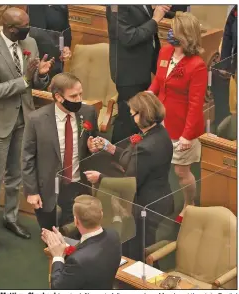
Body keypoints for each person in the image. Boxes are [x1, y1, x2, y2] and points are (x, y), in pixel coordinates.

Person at [0, 7, 53, 255]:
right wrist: (25, 80)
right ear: (11, 29)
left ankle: (10, 218)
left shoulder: (29, 41)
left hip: (24, 117)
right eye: (24, 26)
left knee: (16, 175)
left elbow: (36, 84)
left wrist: (41, 75)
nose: (28, 30)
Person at [84, 91, 174, 261]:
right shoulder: (159, 132)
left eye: (133, 114)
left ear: (143, 114)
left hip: (146, 205)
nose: (132, 118)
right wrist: (110, 148)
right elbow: (135, 161)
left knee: (140, 250)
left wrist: (100, 178)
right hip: (157, 196)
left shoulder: (146, 146)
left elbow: (130, 182)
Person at [148, 12, 208, 222]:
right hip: (161, 120)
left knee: (182, 173)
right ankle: (163, 202)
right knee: (159, 166)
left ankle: (189, 203)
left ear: (186, 35)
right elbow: (159, 80)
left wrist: (186, 135)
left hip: (183, 127)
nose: (169, 33)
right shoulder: (165, 52)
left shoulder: (197, 65)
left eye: (174, 30)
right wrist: (149, 94)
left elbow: (195, 104)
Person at [22, 73, 98, 232]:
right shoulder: (36, 119)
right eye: (74, 96)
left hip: (79, 184)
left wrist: (94, 148)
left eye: (81, 94)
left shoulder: (89, 112)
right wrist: (32, 191)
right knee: (50, 234)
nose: (79, 99)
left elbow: (94, 142)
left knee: (77, 233)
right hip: (49, 188)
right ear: (58, 97)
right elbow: (27, 158)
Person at [106, 5, 173, 144]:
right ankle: (118, 157)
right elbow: (128, 37)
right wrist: (155, 20)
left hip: (144, 67)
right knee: (128, 120)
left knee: (140, 118)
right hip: (129, 72)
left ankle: (136, 156)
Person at [41, 195, 121, 290]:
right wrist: (65, 246)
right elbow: (90, 252)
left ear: (75, 221)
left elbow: (57, 287)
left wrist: (58, 256)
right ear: (101, 214)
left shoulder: (77, 261)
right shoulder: (114, 235)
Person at [28, 5, 72, 80]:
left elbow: (65, 29)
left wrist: (65, 47)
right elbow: (36, 32)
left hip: (55, 58)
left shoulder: (61, 6)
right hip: (36, 55)